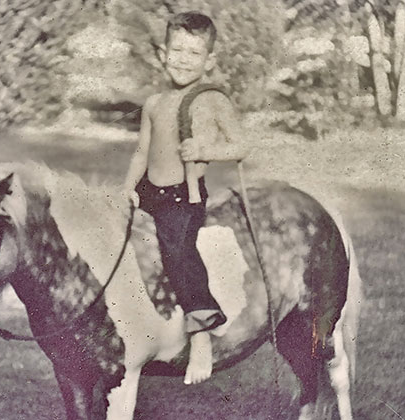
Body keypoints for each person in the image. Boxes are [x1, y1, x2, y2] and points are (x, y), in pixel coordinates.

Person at [123, 11, 251, 385]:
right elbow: (141, 153)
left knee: (179, 251)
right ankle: (133, 324)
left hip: (183, 198)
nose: (182, 59)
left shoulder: (210, 100)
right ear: (163, 52)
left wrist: (204, 147)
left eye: (193, 53)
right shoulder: (153, 103)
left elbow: (241, 145)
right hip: (149, 190)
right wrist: (126, 188)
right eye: (176, 49)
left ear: (209, 60)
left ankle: (200, 334)